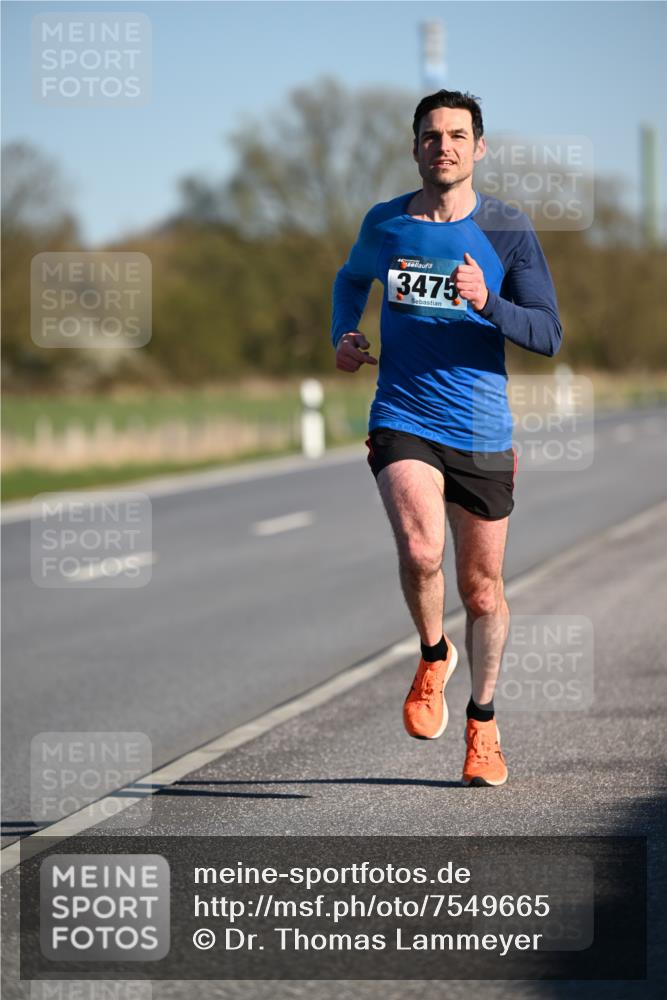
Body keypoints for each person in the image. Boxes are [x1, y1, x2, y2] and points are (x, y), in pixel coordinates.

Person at [331, 89, 562, 786]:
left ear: (478, 148)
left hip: (481, 428)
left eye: (457, 136)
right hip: (402, 413)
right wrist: (343, 334)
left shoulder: (507, 229)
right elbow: (349, 279)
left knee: (483, 590)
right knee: (420, 547)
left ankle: (482, 723)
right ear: (415, 149)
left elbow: (548, 333)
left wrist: (486, 302)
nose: (444, 147)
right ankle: (433, 654)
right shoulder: (386, 223)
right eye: (431, 136)